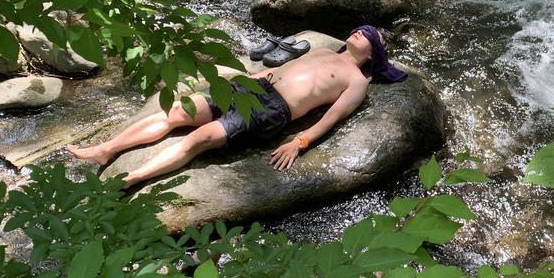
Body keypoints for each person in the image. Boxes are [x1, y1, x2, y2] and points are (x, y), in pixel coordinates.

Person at [66, 25, 407, 187]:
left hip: (271, 111)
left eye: (369, 35)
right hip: (251, 88)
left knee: (196, 140)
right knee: (175, 113)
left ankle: (131, 178)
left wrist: (300, 141)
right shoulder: (323, 50)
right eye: (360, 29)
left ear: (374, 54)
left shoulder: (357, 82)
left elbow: (332, 117)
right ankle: (106, 149)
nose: (360, 32)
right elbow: (277, 69)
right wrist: (243, 77)